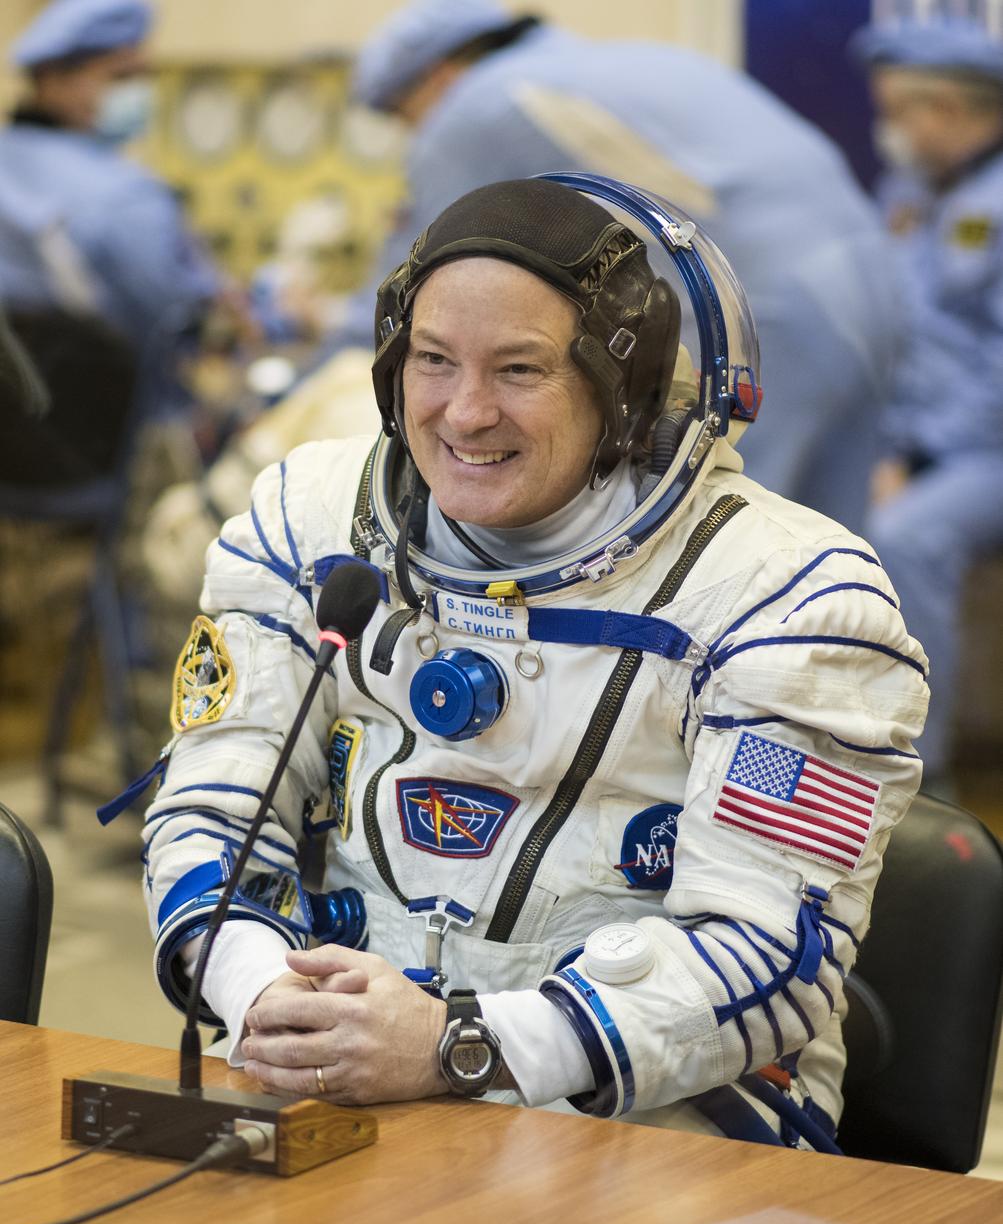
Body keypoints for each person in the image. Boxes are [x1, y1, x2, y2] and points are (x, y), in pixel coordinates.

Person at [133, 176, 928, 1146]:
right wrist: (262, 993)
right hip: (341, 1074)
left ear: (626, 391)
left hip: (661, 1120)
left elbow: (766, 960)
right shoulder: (307, 523)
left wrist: (455, 1045)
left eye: (520, 370)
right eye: (432, 360)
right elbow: (212, 812)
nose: (465, 413)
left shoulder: (789, 602)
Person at [334, 0, 901, 527]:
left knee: (724, 541)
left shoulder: (477, 105)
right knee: (836, 546)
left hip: (771, 313)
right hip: (872, 282)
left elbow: (410, 285)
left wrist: (313, 350)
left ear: (436, 77)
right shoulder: (621, 60)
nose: (415, 134)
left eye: (405, 117)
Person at [852, 17, 1003, 790]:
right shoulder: (909, 191)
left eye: (895, 112)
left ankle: (917, 777)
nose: (887, 131)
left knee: (902, 536)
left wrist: (912, 460)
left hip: (982, 450)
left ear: (944, 108)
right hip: (913, 441)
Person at [0, 0, 220, 408]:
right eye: (121, 76)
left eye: (143, 77)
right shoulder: (127, 198)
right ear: (52, 78)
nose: (138, 93)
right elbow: (179, 322)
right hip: (107, 425)